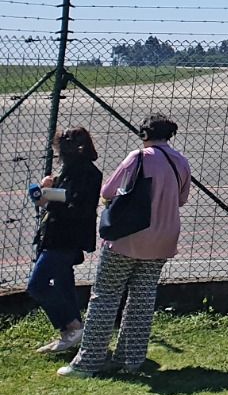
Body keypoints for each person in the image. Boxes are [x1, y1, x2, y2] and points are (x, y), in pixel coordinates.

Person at [60, 114, 191, 378]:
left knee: (105, 297)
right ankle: (131, 359)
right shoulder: (180, 162)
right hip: (163, 239)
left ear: (144, 134)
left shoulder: (139, 157)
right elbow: (181, 199)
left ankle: (88, 362)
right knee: (141, 300)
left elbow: (108, 191)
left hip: (128, 238)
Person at [29, 127, 103, 356]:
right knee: (63, 283)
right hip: (56, 235)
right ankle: (70, 333)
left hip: (65, 238)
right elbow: (63, 198)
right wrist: (48, 189)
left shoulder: (85, 173)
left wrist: (49, 195)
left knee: (37, 285)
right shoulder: (71, 170)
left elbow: (75, 205)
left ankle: (72, 326)